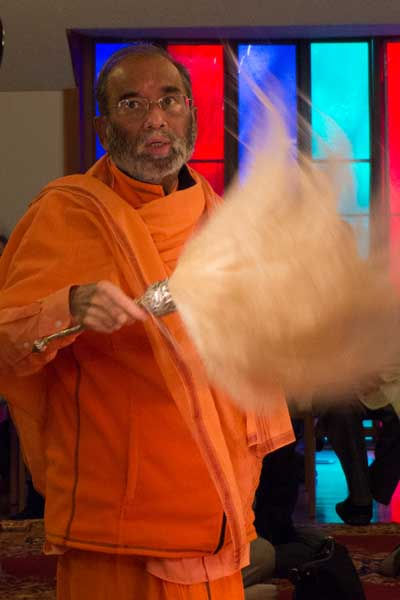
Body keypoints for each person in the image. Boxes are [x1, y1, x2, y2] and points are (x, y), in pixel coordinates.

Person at [0, 44, 294, 600]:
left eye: (170, 100)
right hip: (114, 517)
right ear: (103, 125)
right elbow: (5, 338)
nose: (156, 118)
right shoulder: (64, 215)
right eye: (132, 103)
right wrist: (68, 305)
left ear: (192, 114)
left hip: (215, 502)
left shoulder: (221, 222)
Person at [320, 369, 400, 525]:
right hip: (343, 382)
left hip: (390, 381)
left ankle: (373, 485)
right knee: (340, 409)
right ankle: (361, 498)